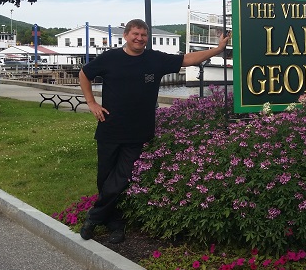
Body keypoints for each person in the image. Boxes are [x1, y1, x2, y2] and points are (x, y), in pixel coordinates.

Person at [78, 19, 230, 243]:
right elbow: (84, 73)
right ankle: (114, 222)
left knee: (122, 177)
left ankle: (94, 218)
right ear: (126, 35)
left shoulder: (155, 59)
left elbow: (187, 59)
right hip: (109, 128)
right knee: (105, 179)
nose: (139, 38)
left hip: (139, 131)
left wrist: (217, 49)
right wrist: (91, 102)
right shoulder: (110, 58)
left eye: (143, 35)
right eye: (135, 34)